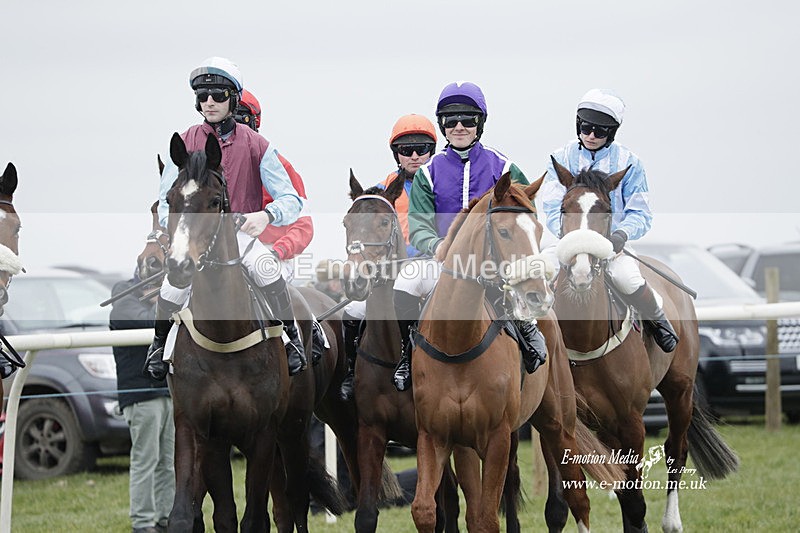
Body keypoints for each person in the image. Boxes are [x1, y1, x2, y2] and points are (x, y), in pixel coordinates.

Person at [145, 57, 307, 380]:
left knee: (269, 272)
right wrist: (176, 231)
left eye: (217, 95)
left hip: (241, 237)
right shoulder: (185, 140)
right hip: (195, 237)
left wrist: (266, 215)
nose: (209, 102)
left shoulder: (257, 144)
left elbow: (293, 199)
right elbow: (165, 202)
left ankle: (292, 341)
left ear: (233, 99)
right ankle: (158, 344)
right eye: (203, 96)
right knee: (171, 287)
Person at [391, 81, 548, 392]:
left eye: (468, 120)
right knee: (406, 281)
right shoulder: (427, 172)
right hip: (444, 263)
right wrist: (441, 248)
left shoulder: (504, 166)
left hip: (493, 263)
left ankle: (528, 331)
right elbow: (420, 225)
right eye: (451, 121)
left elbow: (526, 215)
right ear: (443, 126)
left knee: (520, 286)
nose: (459, 126)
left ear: (480, 124)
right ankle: (407, 356)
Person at [540, 88, 679, 352]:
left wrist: (620, 236)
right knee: (537, 274)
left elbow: (641, 213)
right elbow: (550, 205)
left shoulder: (630, 163)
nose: (591, 136)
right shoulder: (560, 158)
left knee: (628, 279)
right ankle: (529, 339)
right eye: (586, 128)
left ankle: (659, 323)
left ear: (611, 133)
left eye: (600, 131)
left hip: (610, 246)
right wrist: (573, 238)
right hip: (566, 242)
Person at [338, 114, 437, 401]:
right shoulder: (383, 190)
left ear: (432, 150)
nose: (415, 156)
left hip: (431, 264)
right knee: (353, 311)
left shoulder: (442, 183)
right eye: (407, 150)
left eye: (422, 149)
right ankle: (349, 370)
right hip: (389, 269)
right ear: (397, 155)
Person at [110, 272, 174, 533]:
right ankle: (142, 522)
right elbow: (151, 322)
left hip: (165, 391)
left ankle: (165, 517)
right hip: (140, 394)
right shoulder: (123, 299)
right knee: (145, 461)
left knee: (168, 462)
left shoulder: (148, 296)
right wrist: (164, 302)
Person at [235, 89, 314, 268]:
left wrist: (278, 251)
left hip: (271, 252)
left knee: (264, 271)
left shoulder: (281, 167)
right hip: (223, 252)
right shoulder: (208, 168)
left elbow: (303, 225)